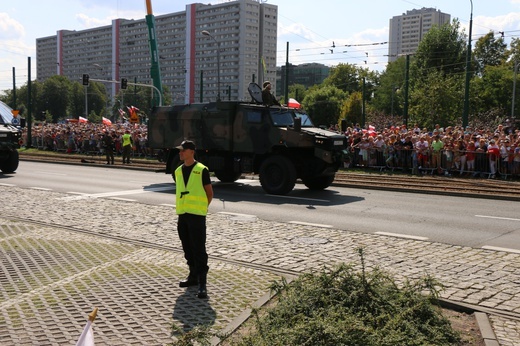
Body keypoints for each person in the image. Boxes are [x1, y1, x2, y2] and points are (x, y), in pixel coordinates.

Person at [174, 140, 213, 299]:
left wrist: (202, 208)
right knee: (187, 247)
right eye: (180, 151)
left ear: (191, 152)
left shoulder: (202, 170)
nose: (180, 153)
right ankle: (193, 277)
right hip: (182, 215)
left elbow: (209, 193)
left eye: (183, 150)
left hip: (197, 216)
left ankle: (202, 283)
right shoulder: (177, 171)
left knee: (199, 249)